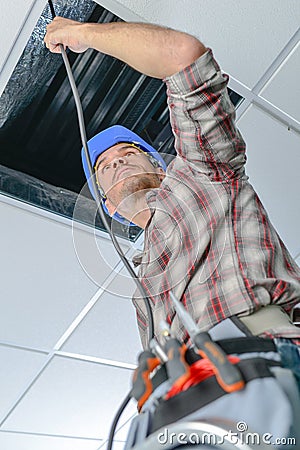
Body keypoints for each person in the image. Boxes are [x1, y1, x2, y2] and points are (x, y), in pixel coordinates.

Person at [44, 17, 300, 388]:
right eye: (104, 166)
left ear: (161, 166)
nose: (116, 161)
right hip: (192, 400)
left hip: (271, 361)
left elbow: (184, 58)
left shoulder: (202, 173)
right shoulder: (141, 288)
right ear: (108, 207)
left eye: (128, 151)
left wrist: (83, 35)